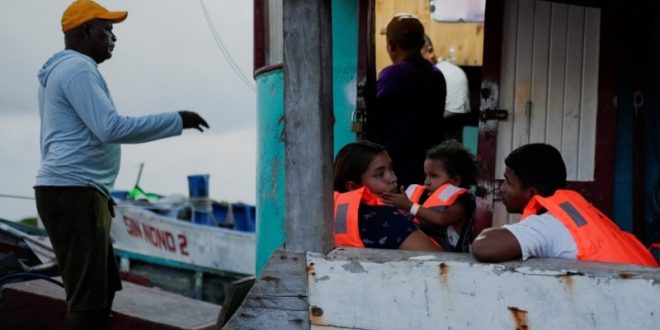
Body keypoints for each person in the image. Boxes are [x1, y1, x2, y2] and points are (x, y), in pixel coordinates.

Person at [34, 1, 210, 329]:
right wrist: (177, 120)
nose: (113, 37)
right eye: (107, 29)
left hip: (78, 191)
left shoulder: (65, 70)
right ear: (86, 31)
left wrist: (98, 188)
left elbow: (72, 139)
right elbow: (110, 128)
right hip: (73, 194)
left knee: (100, 290)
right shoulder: (77, 69)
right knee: (88, 300)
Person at [471, 144, 658, 267]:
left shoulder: (550, 225)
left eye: (508, 182)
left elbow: (483, 247)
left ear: (532, 193)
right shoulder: (578, 215)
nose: (502, 189)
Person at [368, 13, 446, 188]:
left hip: (397, 166)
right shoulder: (436, 75)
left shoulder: (392, 75)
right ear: (421, 43)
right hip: (427, 165)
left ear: (392, 45)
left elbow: (374, 115)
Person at [333, 141, 441, 252]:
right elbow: (443, 262)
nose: (393, 178)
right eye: (380, 174)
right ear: (352, 187)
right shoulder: (387, 218)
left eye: (390, 168)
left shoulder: (326, 215)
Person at [381, 140, 478, 252]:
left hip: (449, 261)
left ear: (455, 180)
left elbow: (442, 219)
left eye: (433, 176)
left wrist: (409, 206)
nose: (427, 181)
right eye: (426, 175)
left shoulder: (461, 203)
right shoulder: (424, 198)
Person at [421, 35, 471, 142]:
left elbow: (455, 112)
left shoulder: (451, 73)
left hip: (445, 145)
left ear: (429, 51)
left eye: (417, 56)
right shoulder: (418, 74)